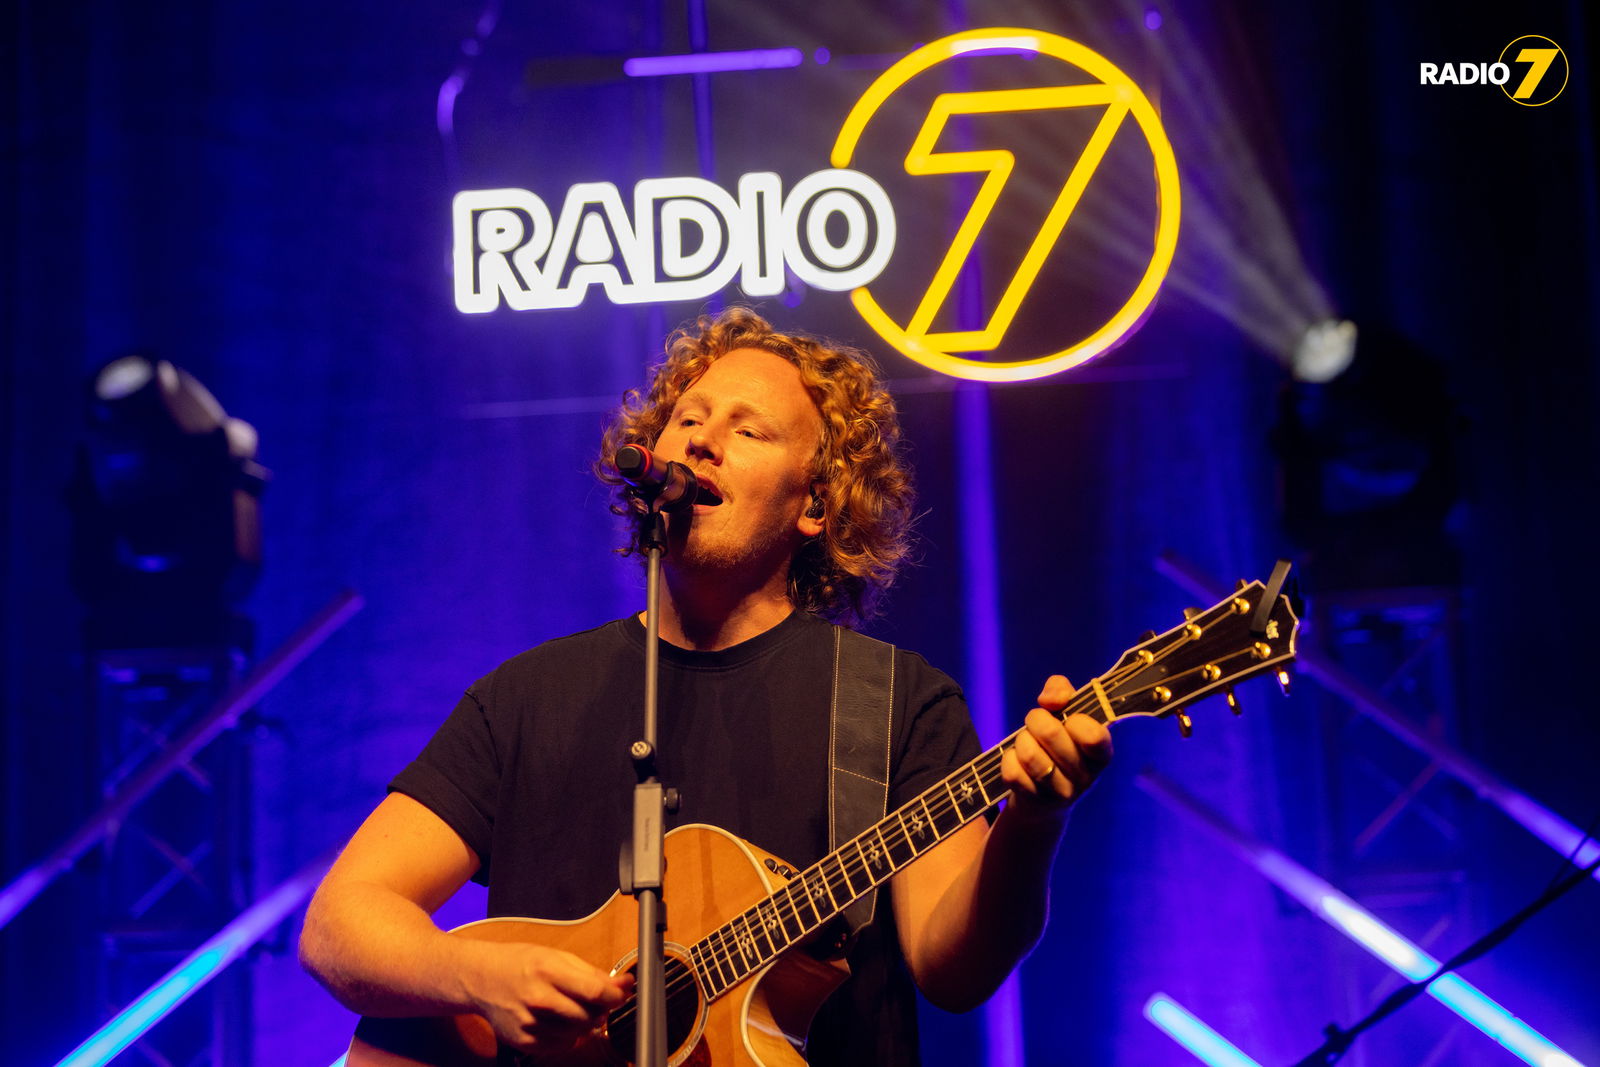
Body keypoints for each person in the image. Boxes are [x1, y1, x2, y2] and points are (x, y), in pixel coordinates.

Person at [299, 307, 1112, 1064]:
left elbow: (951, 967)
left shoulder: (896, 703)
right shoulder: (526, 698)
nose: (700, 442)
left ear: (816, 508)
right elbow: (340, 924)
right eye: (687, 419)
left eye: (747, 429)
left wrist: (1034, 822)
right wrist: (479, 978)